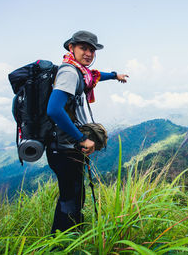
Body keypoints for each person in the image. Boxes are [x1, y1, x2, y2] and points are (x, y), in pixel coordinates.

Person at [46, 30, 128, 233]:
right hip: (65, 148)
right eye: (83, 48)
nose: (89, 53)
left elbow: (95, 76)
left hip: (68, 147)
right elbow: (54, 110)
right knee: (70, 199)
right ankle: (63, 242)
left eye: (92, 49)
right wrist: (81, 138)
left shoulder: (80, 72)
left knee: (74, 195)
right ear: (71, 48)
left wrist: (115, 75)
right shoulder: (69, 72)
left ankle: (69, 236)